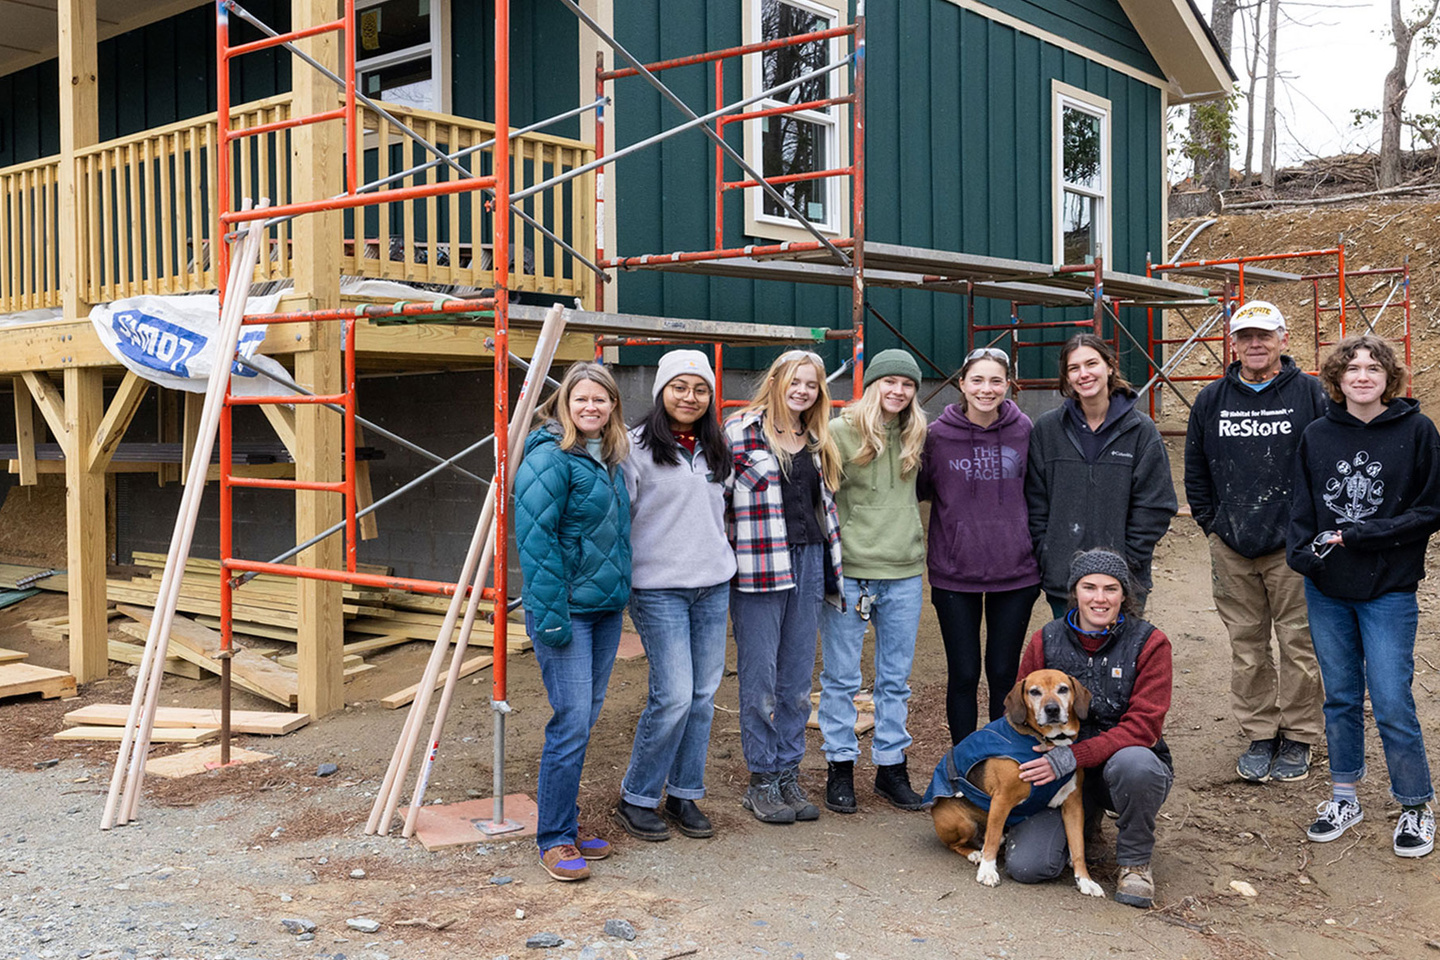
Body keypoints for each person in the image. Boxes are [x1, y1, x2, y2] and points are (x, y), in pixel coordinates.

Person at [1287, 334, 1440, 858]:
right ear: (1336, 378)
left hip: (1388, 589)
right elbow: (1302, 508)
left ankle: (1416, 805)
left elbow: (1430, 509)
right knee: (1341, 697)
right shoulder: (1316, 435)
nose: (1362, 375)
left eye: (1374, 367)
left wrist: (1364, 534)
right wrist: (1302, 556)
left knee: (1393, 700)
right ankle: (1344, 795)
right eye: (1352, 367)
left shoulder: (1418, 432)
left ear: (1388, 377)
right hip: (1328, 589)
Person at [1184, 300, 1327, 785]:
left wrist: (1311, 531)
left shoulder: (1311, 394)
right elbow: (1196, 470)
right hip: (1233, 545)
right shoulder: (1211, 400)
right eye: (1245, 336)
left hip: (1293, 547)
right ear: (1234, 342)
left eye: (1264, 335)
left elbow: (1330, 460)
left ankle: (1301, 736)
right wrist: (1212, 524)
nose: (1255, 343)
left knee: (1298, 644)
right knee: (1247, 646)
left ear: (1283, 339)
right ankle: (1261, 732)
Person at [514, 361, 632, 882]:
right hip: (566, 611)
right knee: (570, 723)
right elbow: (535, 544)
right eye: (581, 399)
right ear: (565, 403)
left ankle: (565, 822)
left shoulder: (606, 458)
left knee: (582, 722)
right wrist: (552, 617)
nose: (591, 407)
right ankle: (555, 839)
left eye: (600, 400)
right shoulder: (551, 458)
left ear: (612, 408)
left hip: (603, 609)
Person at [1004, 549, 1174, 909]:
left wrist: (1074, 755)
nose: (1100, 598)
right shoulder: (1046, 639)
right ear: (1074, 592)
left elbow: (1143, 727)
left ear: (1125, 595)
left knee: (1136, 764)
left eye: (1111, 589)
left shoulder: (1150, 643)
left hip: (1121, 766)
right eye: (1089, 587)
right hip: (1059, 774)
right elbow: (1019, 711)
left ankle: (1135, 863)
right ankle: (1085, 823)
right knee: (1028, 865)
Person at [614, 350, 735, 843]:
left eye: (700, 389)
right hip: (658, 588)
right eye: (680, 387)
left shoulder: (716, 448)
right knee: (675, 695)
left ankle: (684, 793)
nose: (690, 397)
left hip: (712, 585)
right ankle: (637, 797)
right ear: (662, 391)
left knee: (703, 698)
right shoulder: (635, 448)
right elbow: (621, 519)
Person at [726, 349, 845, 824]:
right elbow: (718, 499)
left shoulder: (817, 438)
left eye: (811, 385)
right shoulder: (740, 430)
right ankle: (760, 778)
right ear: (776, 381)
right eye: (795, 381)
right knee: (759, 680)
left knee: (797, 682)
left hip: (811, 560)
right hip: (757, 566)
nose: (803, 391)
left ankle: (787, 772)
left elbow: (825, 508)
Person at [819, 349, 928, 814]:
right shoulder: (840, 432)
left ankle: (890, 766)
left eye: (907, 385)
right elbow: (823, 494)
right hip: (853, 571)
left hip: (903, 569)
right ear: (873, 385)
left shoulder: (918, 434)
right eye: (890, 382)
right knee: (841, 677)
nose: (898, 392)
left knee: (894, 679)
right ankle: (840, 765)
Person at [920, 346, 1043, 745]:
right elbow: (922, 489)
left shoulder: (1025, 430)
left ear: (1008, 385)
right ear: (962, 384)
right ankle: (964, 759)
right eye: (977, 380)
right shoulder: (937, 437)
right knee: (964, 672)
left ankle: (1000, 755)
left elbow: (1037, 490)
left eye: (995, 380)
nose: (986, 389)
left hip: (1016, 572)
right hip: (955, 574)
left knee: (1004, 672)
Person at [1025, 334, 1177, 617]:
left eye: (1091, 363)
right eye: (1074, 368)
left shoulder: (1141, 431)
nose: (1084, 374)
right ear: (1067, 377)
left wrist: (1126, 561)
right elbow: (1036, 502)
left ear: (1110, 366)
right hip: (1065, 582)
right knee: (1069, 657)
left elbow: (1156, 505)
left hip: (1122, 585)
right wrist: (1049, 553)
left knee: (1120, 658)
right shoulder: (1047, 430)